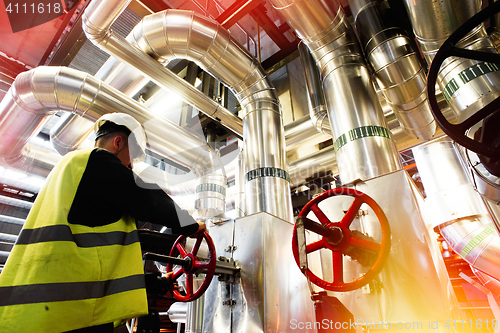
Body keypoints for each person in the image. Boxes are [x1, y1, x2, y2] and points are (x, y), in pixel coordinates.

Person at [0, 113, 205, 333]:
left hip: (42, 305)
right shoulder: (95, 160)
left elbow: (97, 255)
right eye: (132, 157)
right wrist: (190, 225)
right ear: (118, 142)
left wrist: (154, 281)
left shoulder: (70, 169)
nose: (131, 166)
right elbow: (146, 197)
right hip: (69, 314)